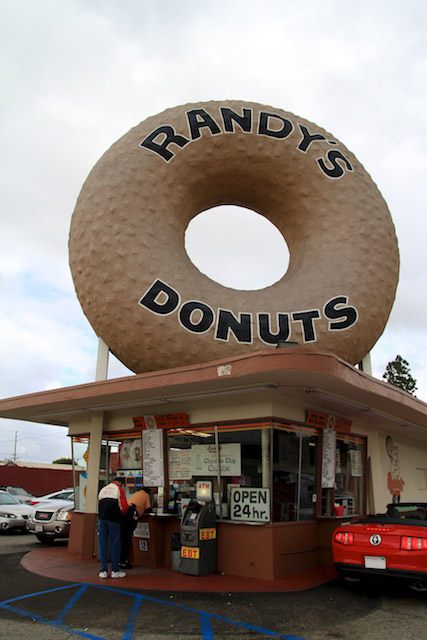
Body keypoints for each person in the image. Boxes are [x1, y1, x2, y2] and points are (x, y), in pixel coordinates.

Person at [98, 476, 128, 579]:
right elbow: (124, 507)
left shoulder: (103, 489)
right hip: (114, 520)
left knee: (103, 545)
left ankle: (103, 571)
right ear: (120, 483)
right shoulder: (119, 490)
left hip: (102, 519)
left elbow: (99, 503)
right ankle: (115, 570)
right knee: (115, 544)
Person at [119, 487, 151, 569]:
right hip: (131, 514)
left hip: (124, 513)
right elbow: (148, 508)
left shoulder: (136, 493)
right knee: (126, 538)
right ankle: (122, 561)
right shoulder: (146, 495)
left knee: (122, 537)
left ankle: (120, 560)